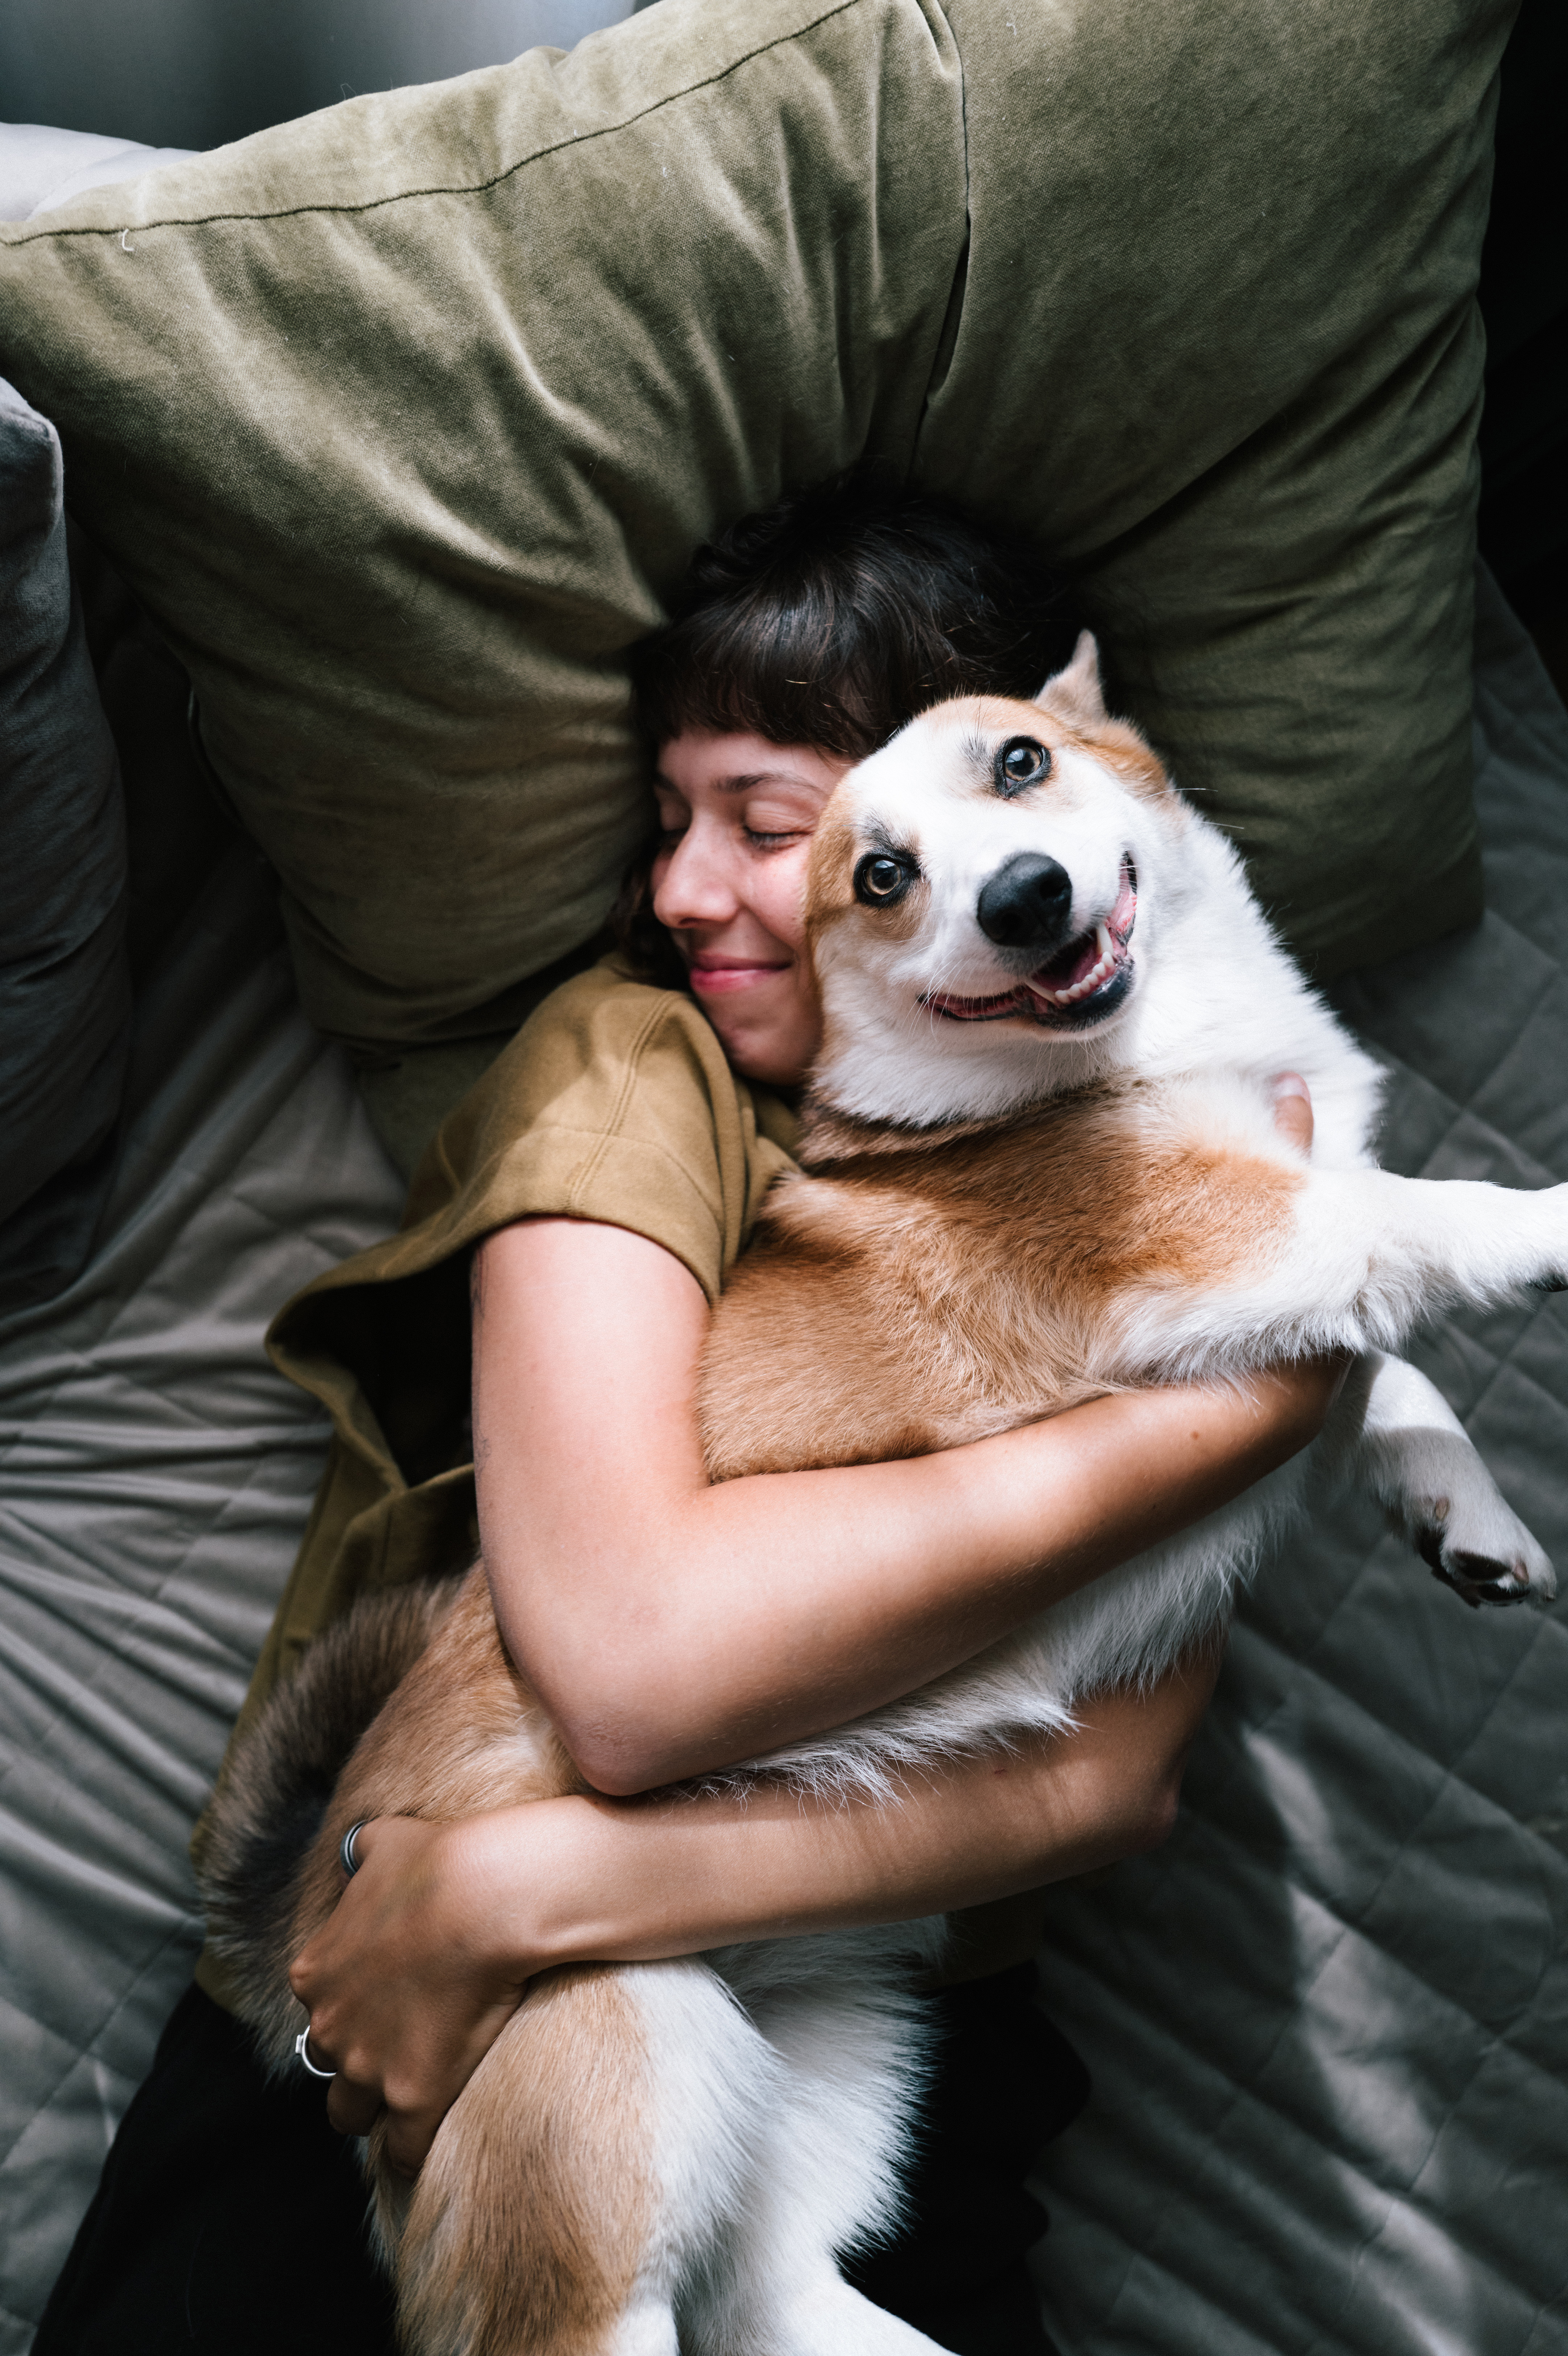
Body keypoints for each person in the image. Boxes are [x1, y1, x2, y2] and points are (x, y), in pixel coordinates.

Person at [36, 480, 1339, 2356]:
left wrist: (548, 1880)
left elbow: (1103, 1775)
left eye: (767, 828)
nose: (676, 893)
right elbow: (632, 1664)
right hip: (432, 2018)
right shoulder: (634, 1059)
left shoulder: (1139, 1166)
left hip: (870, 2064)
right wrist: (1251, 1396)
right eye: (669, 821)